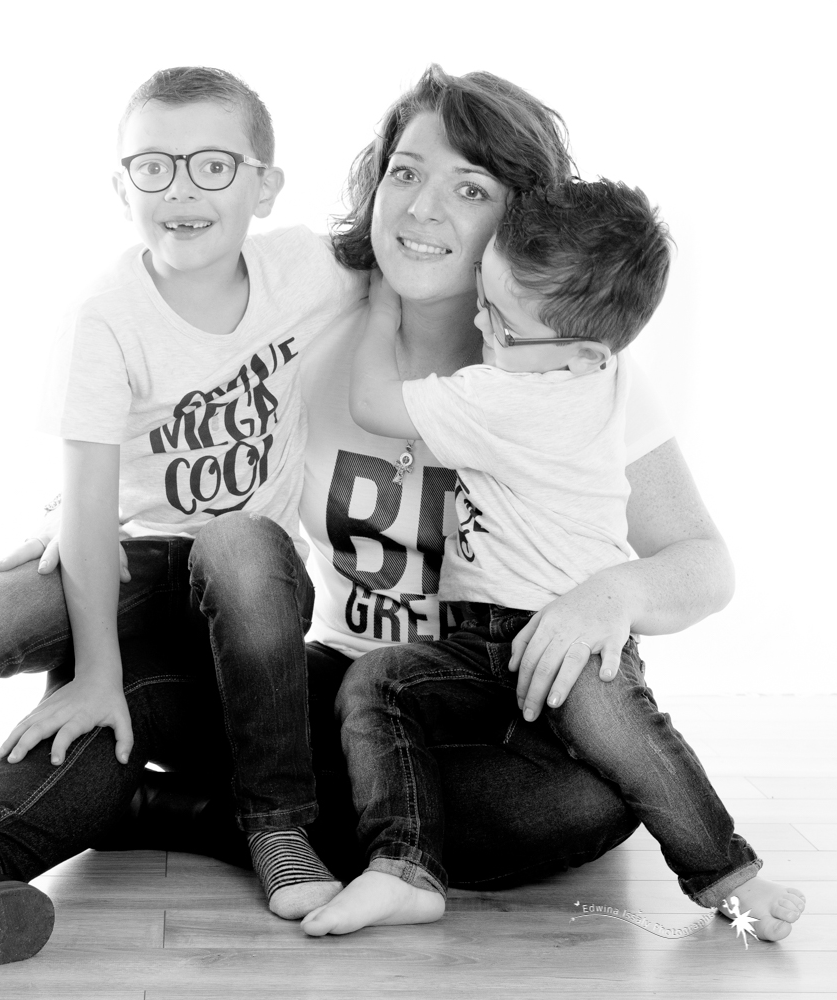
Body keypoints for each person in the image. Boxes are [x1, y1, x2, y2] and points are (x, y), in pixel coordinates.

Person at [0, 65, 792, 981]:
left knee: (580, 803)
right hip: (324, 688)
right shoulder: (315, 316)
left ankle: (181, 812)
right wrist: (81, 511)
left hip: (491, 711)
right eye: (404, 174)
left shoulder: (575, 373)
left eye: (469, 189)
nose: (420, 210)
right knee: (131, 688)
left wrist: (611, 594)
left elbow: (703, 564)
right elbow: (174, 400)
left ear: (521, 222)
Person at [0, 62, 364, 953]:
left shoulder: (307, 269)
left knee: (239, 539)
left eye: (213, 165)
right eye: (153, 166)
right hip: (126, 560)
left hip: (247, 586)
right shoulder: (104, 317)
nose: (182, 189)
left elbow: (417, 254)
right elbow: (86, 510)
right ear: (122, 189)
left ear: (265, 187)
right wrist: (96, 676)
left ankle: (277, 824)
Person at [299, 178, 805, 938]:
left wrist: (379, 315)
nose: (482, 321)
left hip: (564, 636)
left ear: (583, 353)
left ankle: (397, 860)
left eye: (501, 322)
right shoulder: (605, 375)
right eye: (484, 294)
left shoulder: (499, 393)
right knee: (636, 748)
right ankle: (729, 879)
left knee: (624, 746)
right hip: (477, 641)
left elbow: (373, 403)